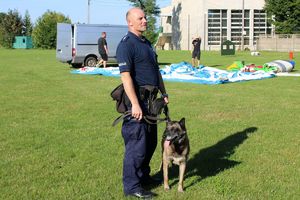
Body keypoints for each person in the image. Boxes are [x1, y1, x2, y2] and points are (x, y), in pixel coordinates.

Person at [116, 7, 169, 199]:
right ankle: (131, 186)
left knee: (150, 143)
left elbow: (156, 71)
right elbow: (126, 76)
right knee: (137, 145)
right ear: (130, 22)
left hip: (152, 101)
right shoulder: (126, 44)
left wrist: (163, 92)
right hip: (137, 102)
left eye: (145, 17)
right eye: (140, 18)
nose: (145, 20)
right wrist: (135, 104)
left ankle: (143, 177)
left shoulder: (146, 43)